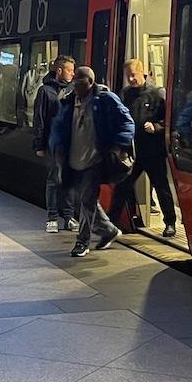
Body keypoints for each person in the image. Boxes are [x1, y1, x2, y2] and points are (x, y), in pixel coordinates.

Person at [49, 65, 133, 257]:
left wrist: (119, 145)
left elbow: (127, 122)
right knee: (86, 200)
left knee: (87, 200)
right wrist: (55, 145)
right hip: (72, 159)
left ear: (91, 82)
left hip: (95, 160)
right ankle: (108, 230)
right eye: (74, 82)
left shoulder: (105, 100)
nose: (76, 87)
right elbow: (58, 126)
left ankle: (82, 242)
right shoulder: (69, 102)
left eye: (80, 82)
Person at [108, 59, 179, 237]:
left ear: (143, 73)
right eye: (128, 76)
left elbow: (169, 121)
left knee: (161, 187)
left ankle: (170, 223)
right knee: (122, 187)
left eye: (133, 74)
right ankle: (111, 223)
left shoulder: (157, 94)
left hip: (153, 151)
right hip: (132, 152)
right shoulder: (124, 95)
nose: (131, 79)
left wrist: (156, 127)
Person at [31, 55, 78, 233]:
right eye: (70, 70)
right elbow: (39, 119)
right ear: (59, 71)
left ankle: (69, 216)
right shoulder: (45, 91)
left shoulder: (74, 90)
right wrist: (39, 145)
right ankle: (52, 217)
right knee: (54, 179)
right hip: (53, 144)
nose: (72, 74)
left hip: (71, 145)